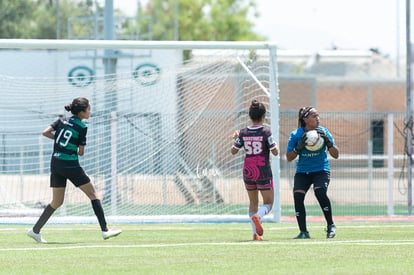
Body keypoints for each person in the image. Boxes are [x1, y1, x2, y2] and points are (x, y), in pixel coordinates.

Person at [28, 97, 122, 243]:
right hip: (70, 165)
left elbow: (45, 132)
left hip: (55, 163)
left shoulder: (61, 120)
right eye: (88, 109)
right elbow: (81, 152)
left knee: (57, 201)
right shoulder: (82, 127)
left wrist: (60, 140)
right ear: (82, 112)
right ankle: (105, 230)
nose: (90, 112)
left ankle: (35, 230)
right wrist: (71, 146)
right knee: (93, 195)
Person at [286, 106, 339, 239]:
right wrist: (298, 148)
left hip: (321, 169)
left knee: (320, 192)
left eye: (318, 115)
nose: (317, 118)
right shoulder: (296, 134)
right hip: (303, 171)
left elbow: (336, 154)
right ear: (305, 119)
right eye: (314, 116)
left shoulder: (323, 132)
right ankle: (303, 231)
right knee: (298, 197)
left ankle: (331, 225)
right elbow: (289, 157)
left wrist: (328, 142)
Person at [231, 99, 279, 241]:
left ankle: (255, 234)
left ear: (250, 116)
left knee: (253, 202)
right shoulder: (266, 132)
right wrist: (274, 144)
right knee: (268, 203)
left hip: (248, 169)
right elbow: (275, 152)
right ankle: (259, 216)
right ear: (264, 116)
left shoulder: (243, 132)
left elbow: (233, 151)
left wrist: (236, 138)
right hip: (262, 168)